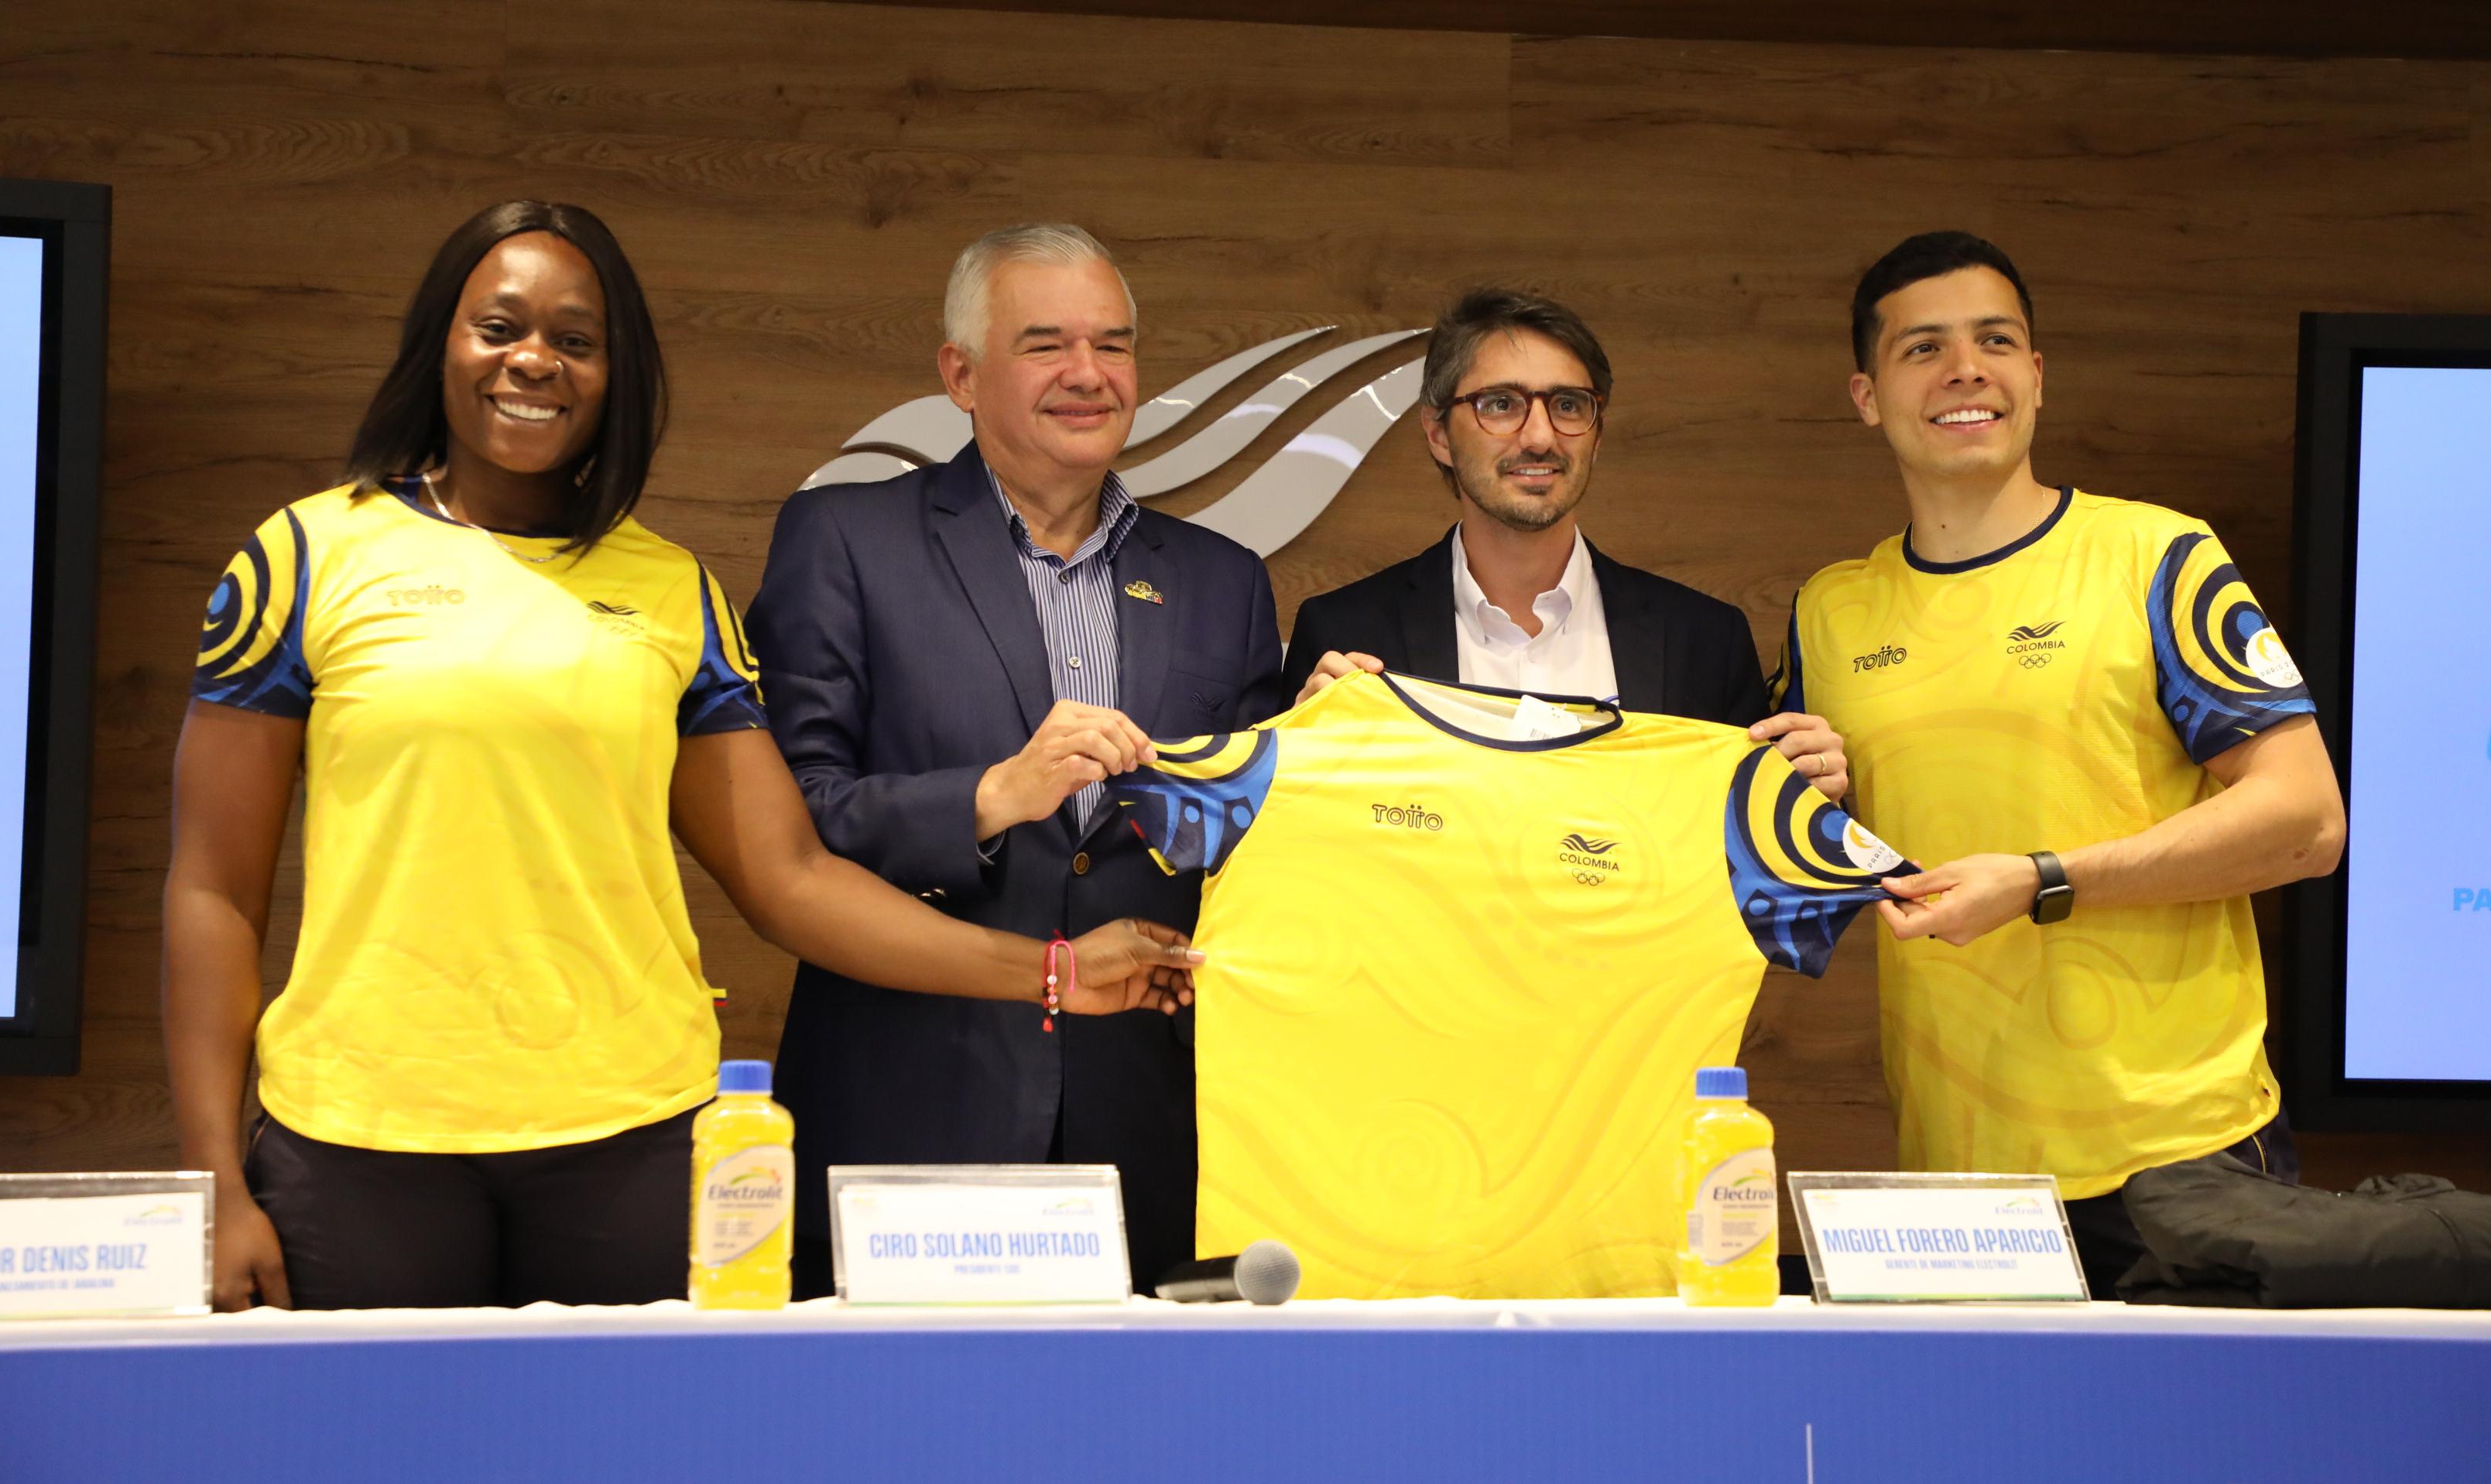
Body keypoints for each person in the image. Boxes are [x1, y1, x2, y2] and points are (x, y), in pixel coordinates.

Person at [164, 202, 1197, 1312]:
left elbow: (788, 881)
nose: (533, 361)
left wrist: (1050, 973)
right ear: (440, 345)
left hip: (632, 1142)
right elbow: (211, 889)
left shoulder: (673, 591)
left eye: (574, 340)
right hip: (359, 1136)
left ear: (617, 375)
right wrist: (214, 1176)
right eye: (498, 326)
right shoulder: (306, 557)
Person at [1776, 231, 2346, 1296]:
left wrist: (2044, 879)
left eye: (1995, 340)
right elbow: (1792, 867)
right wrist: (1805, 794)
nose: (1965, 369)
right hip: (1961, 1186)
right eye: (1921, 348)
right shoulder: (1827, 611)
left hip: (2180, 1156)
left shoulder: (2154, 557)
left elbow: (2306, 821)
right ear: (1865, 395)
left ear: (2034, 375)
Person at [749, 223, 1283, 1297]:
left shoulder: (1223, 582)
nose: (1088, 375)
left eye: (1114, 345)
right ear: (960, 373)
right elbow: (790, 824)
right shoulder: (844, 540)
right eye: (1045, 345)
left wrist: (1315, 749)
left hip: (1148, 1130)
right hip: (905, 1112)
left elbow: (1250, 857)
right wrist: (991, 796)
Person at [1283, 288, 1849, 800]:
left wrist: (1805, 799)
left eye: (1568, 405)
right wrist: (1292, 772)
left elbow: (1747, 867)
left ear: (1597, 435)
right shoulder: (1345, 636)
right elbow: (1298, 862)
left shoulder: (1703, 640)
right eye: (1500, 404)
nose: (1539, 436)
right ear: (1438, 434)